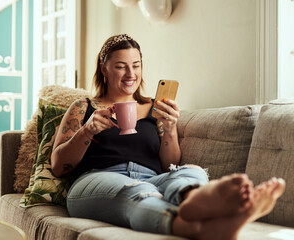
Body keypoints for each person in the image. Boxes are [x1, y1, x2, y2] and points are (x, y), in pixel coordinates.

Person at [51, 34, 286, 239]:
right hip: (97, 180)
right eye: (121, 66)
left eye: (136, 65)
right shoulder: (83, 108)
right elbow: (59, 166)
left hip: (152, 178)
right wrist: (87, 130)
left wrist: (170, 128)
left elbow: (168, 164)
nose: (130, 74)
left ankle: (196, 201)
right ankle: (196, 228)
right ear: (104, 69)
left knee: (191, 171)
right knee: (138, 193)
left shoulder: (157, 108)